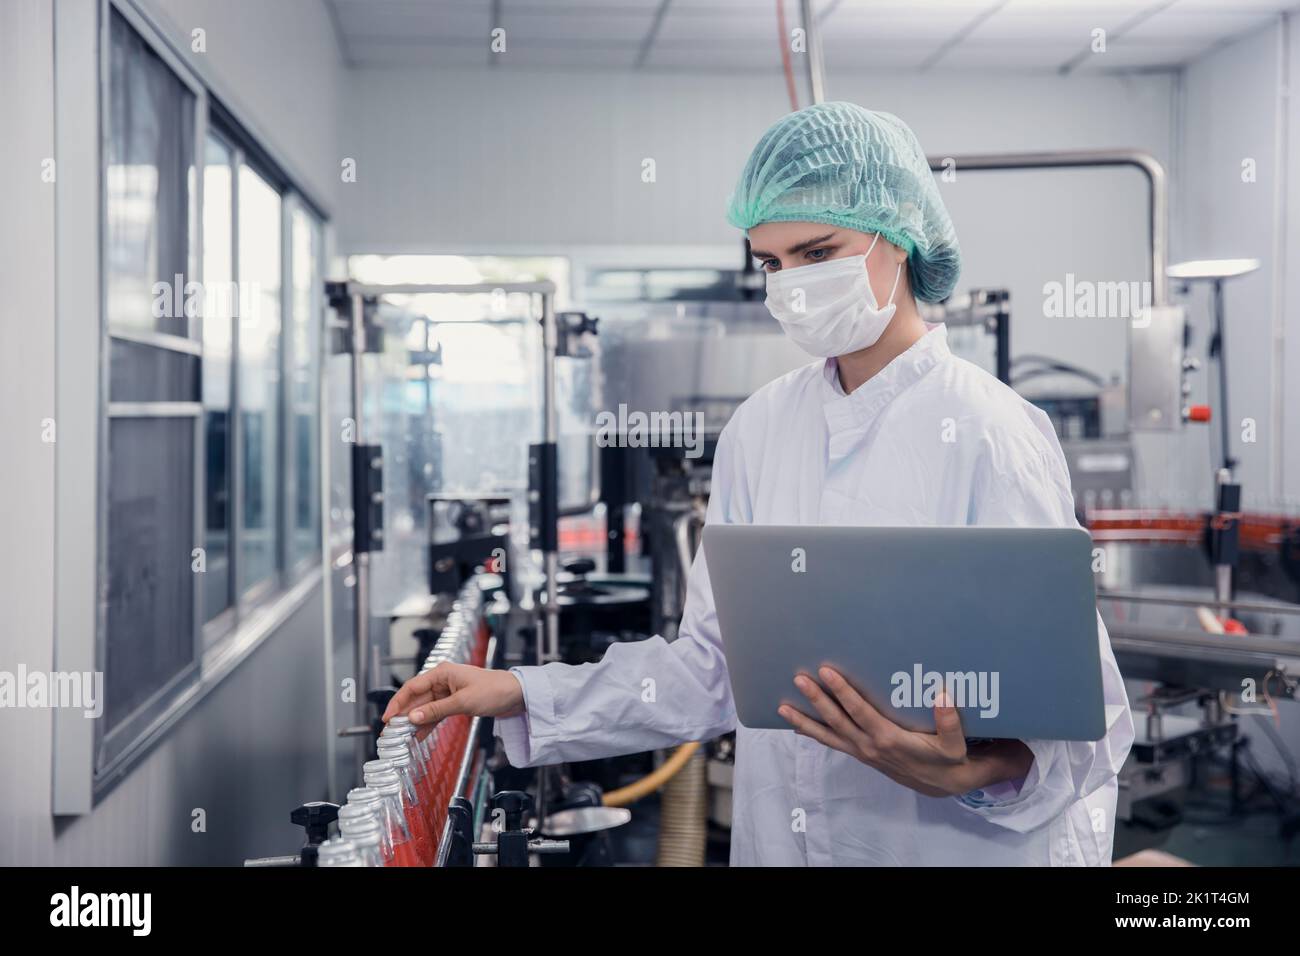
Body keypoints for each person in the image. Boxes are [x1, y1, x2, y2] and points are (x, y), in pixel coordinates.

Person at [383, 102, 1134, 866]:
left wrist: (970, 773)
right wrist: (522, 691)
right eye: (771, 263)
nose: (793, 284)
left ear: (897, 236)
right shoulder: (762, 427)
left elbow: (1086, 722)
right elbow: (715, 666)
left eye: (817, 252)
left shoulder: (989, 430)